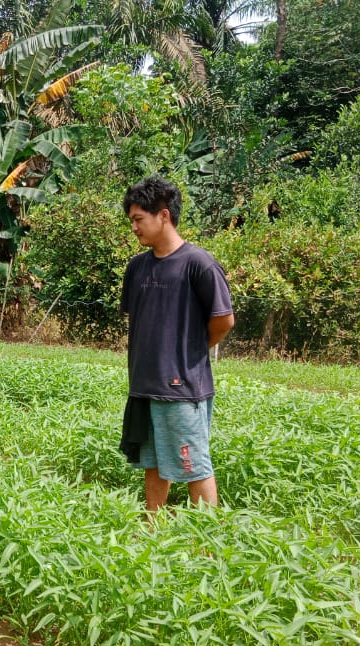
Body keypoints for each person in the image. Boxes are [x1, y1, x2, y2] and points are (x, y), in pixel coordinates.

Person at [117, 176, 235, 513]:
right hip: (143, 384)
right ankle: (153, 529)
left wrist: (192, 352)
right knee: (153, 461)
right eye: (132, 221)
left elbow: (224, 320)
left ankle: (208, 539)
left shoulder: (199, 264)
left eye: (139, 220)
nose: (134, 228)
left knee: (193, 464)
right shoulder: (137, 267)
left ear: (164, 215)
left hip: (182, 387)